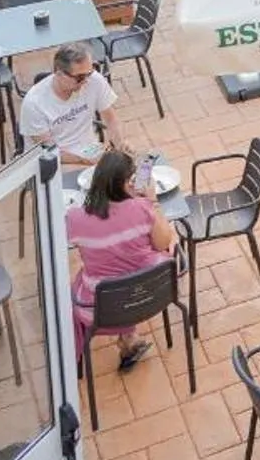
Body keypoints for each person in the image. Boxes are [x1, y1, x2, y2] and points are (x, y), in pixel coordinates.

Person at [64, 149, 177, 370]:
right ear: (124, 184)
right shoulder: (142, 208)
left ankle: (127, 338)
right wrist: (153, 201)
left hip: (97, 310)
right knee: (135, 264)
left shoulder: (75, 219)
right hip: (149, 296)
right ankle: (129, 338)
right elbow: (163, 243)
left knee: (82, 282)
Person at [17, 44, 116, 168]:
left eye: (89, 73)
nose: (86, 81)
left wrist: (119, 143)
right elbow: (50, 151)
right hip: (51, 160)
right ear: (59, 74)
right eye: (79, 77)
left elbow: (111, 119)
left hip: (88, 151)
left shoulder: (93, 80)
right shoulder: (34, 103)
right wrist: (83, 160)